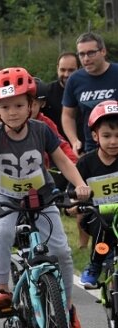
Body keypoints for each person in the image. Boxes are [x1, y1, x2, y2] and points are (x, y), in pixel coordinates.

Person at [0, 67, 90, 328]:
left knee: (61, 252)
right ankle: (2, 290)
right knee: (3, 235)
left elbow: (63, 161)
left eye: (19, 105)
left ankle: (66, 309)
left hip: (42, 198)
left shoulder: (42, 130)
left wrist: (79, 184)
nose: (13, 112)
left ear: (32, 105)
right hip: (5, 200)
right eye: (5, 107)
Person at [70, 100, 118, 288]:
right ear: (95, 136)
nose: (113, 141)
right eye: (107, 136)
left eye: (117, 135)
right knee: (103, 223)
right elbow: (72, 192)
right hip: (95, 215)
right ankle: (95, 265)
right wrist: (74, 203)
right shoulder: (86, 163)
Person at [62, 32, 118, 155]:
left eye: (91, 53)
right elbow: (67, 115)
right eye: (81, 54)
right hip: (92, 149)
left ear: (103, 51)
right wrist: (74, 140)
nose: (86, 59)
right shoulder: (74, 79)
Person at [42, 52, 80, 136]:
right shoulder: (47, 92)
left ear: (79, 69)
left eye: (71, 70)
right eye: (62, 70)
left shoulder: (86, 92)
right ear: (57, 69)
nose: (66, 74)